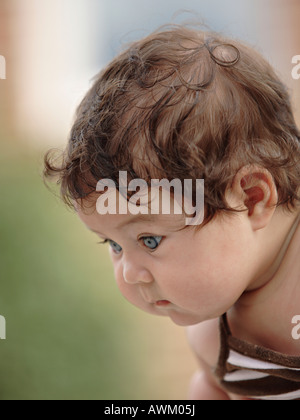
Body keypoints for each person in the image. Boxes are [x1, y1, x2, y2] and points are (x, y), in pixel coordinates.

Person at [44, 24, 300, 400]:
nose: (129, 273)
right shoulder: (214, 335)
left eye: (149, 239)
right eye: (114, 246)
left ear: (250, 199)